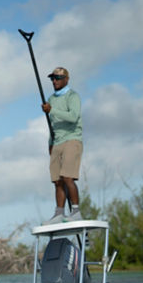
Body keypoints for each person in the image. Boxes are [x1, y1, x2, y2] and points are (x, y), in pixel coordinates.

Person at [41, 67, 83, 224]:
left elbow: (73, 117)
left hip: (72, 139)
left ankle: (76, 211)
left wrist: (52, 110)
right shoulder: (51, 99)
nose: (54, 81)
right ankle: (59, 213)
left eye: (58, 78)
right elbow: (52, 124)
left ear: (66, 79)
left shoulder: (73, 96)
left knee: (67, 177)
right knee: (57, 180)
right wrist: (50, 143)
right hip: (56, 141)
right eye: (52, 78)